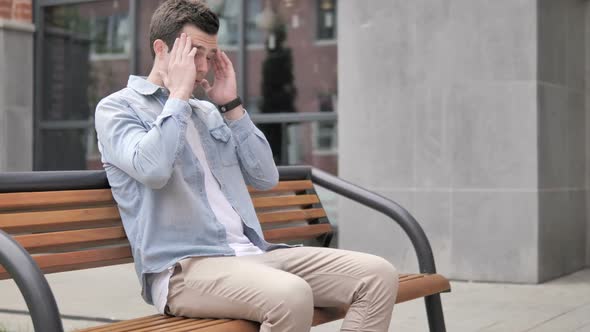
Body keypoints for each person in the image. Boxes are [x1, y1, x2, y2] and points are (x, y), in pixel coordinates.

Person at [94, 1, 399, 331]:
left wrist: (231, 106)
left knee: (378, 275)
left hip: (253, 254)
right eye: (194, 53)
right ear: (161, 49)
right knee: (291, 295)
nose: (203, 68)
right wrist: (178, 95)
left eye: (209, 57)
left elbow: (265, 176)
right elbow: (153, 170)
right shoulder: (117, 108)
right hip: (185, 268)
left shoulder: (208, 112)